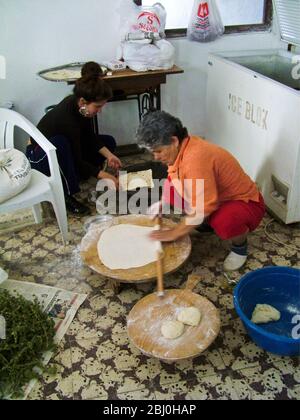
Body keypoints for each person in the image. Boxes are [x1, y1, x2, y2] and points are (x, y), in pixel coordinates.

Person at [136, 111, 265, 271]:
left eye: (158, 151)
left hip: (246, 203)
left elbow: (202, 207)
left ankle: (240, 246)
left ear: (174, 141)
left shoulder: (195, 158)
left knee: (225, 221)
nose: (155, 157)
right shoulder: (182, 148)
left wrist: (176, 233)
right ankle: (207, 223)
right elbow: (174, 175)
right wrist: (163, 202)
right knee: (179, 196)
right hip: (217, 197)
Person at [26, 61, 121, 215]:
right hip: (38, 156)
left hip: (64, 148)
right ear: (83, 102)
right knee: (61, 144)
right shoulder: (66, 119)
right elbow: (76, 157)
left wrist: (110, 155)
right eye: (98, 107)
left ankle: (75, 175)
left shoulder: (80, 107)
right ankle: (65, 195)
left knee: (108, 142)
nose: (100, 111)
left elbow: (89, 137)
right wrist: (103, 175)